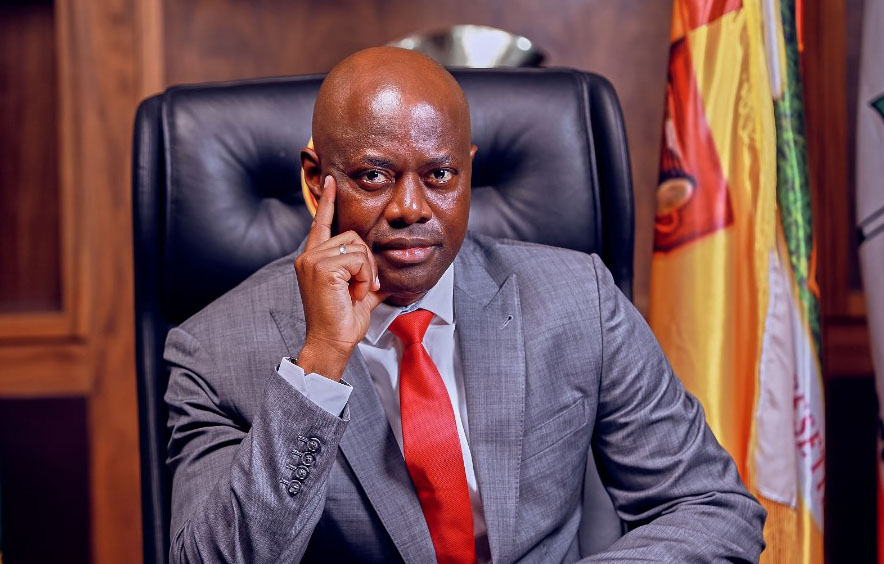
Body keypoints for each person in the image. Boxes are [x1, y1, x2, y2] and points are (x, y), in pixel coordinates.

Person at [164, 47, 766, 563]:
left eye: (440, 175)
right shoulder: (212, 353)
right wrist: (319, 363)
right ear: (315, 179)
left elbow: (711, 507)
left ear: (469, 172)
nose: (411, 208)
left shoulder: (579, 299)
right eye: (373, 176)